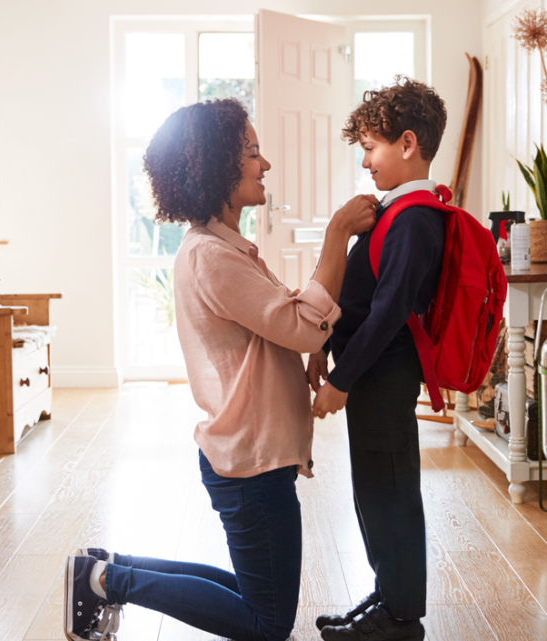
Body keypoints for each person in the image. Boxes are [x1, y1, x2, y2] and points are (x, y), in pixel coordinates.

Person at [64, 98, 377, 641]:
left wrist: (310, 347)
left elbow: (281, 326)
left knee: (253, 594)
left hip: (250, 456)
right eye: (253, 153)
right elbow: (302, 324)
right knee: (267, 622)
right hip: (251, 464)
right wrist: (336, 235)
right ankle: (106, 581)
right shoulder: (212, 256)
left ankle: (101, 568)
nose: (265, 164)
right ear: (216, 168)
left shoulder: (222, 248)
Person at [307, 76, 449, 641]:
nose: (365, 161)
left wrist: (341, 379)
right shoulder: (396, 211)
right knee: (373, 489)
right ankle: (388, 596)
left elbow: (389, 312)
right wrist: (323, 346)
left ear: (407, 144)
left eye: (371, 148)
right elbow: (361, 293)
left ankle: (401, 616)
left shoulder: (415, 217)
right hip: (373, 376)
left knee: (390, 492)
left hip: (383, 377)